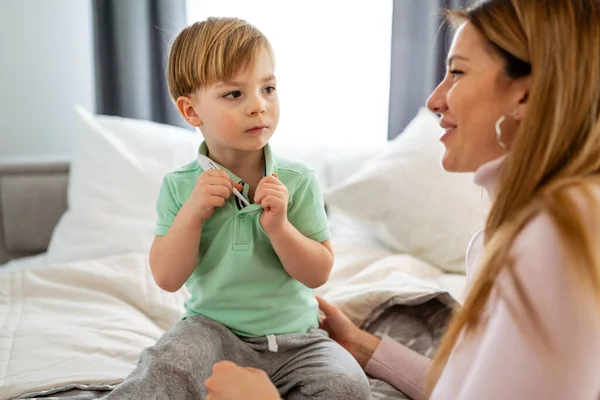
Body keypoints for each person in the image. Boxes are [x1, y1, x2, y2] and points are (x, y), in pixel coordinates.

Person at [203, 1, 600, 399]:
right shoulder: (536, 223)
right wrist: (361, 346)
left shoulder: (560, 232)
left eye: (458, 72)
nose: (435, 100)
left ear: (525, 95)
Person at [105, 17, 370, 400]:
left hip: (299, 339)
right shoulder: (179, 186)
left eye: (268, 88)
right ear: (191, 111)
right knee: (167, 365)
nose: (259, 106)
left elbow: (317, 274)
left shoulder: (297, 180)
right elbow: (166, 277)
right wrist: (192, 212)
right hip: (213, 332)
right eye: (234, 94)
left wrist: (280, 228)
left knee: (348, 385)